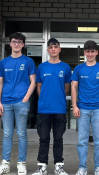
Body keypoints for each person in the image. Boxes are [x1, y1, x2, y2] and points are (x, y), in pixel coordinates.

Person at [0, 32, 36, 175]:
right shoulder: (4, 62)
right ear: (10, 43)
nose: (16, 44)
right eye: (14, 41)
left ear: (23, 45)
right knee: (7, 134)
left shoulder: (28, 61)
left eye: (19, 42)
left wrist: (25, 99)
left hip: (21, 102)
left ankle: (21, 163)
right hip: (5, 102)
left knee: (22, 133)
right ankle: (5, 163)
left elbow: (33, 82)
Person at [32, 38, 72, 175]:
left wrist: (57, 97)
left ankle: (59, 166)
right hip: (44, 108)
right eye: (51, 47)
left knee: (58, 139)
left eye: (56, 47)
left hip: (59, 108)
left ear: (59, 49)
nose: (53, 49)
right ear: (48, 50)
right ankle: (42, 166)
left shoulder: (65, 68)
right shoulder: (42, 67)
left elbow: (66, 89)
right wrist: (45, 99)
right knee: (43, 138)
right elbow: (39, 88)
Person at [71, 40, 99, 175]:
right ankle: (82, 167)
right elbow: (74, 87)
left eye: (92, 51)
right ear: (84, 52)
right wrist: (74, 106)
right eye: (88, 51)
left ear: (96, 52)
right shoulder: (78, 69)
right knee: (82, 141)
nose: (90, 54)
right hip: (82, 109)